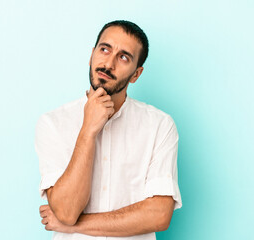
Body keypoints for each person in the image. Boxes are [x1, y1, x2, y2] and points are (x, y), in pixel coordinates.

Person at [35, 20, 182, 240]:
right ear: (91, 55)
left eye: (124, 57)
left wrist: (74, 225)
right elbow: (66, 212)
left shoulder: (159, 125)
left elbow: (159, 215)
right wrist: (88, 129)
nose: (108, 63)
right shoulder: (53, 123)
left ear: (136, 74)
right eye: (105, 50)